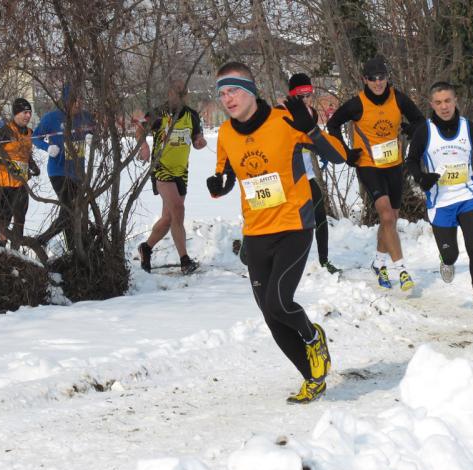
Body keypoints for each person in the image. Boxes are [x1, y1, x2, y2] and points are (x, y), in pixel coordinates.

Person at [207, 61, 347, 403]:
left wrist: (312, 130)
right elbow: (224, 179)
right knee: (271, 315)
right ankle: (313, 376)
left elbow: (339, 157)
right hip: (256, 232)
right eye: (222, 93)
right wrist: (218, 184)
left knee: (279, 302)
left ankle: (314, 338)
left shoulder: (285, 120)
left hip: (294, 225)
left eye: (234, 90)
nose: (227, 99)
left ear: (252, 91)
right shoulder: (225, 134)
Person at [327, 55, 425, 290]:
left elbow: (420, 120)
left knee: (390, 219)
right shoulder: (357, 104)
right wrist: (346, 152)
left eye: (382, 77)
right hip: (369, 166)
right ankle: (401, 270)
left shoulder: (398, 98)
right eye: (373, 79)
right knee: (388, 216)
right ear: (365, 80)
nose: (378, 83)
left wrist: (410, 128)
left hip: (393, 165)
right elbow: (333, 124)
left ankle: (379, 263)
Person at [406, 81, 473, 319]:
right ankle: (445, 260)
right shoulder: (425, 131)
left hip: (467, 197)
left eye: (448, 100)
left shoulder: (468, 128)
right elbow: (411, 160)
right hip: (440, 203)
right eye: (438, 102)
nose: (444, 106)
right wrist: (422, 178)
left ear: (455, 101)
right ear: (431, 104)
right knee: (452, 255)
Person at [137, 78, 207, 275]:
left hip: (181, 171)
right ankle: (185, 260)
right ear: (168, 93)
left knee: (169, 218)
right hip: (162, 168)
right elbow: (140, 127)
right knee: (178, 208)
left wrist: (200, 142)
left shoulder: (191, 115)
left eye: (182, 93)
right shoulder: (159, 113)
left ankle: (146, 248)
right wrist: (143, 145)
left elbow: (196, 138)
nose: (179, 96)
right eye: (175, 92)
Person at [287, 73, 340, 274]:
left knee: (319, 214)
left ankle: (324, 261)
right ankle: (251, 246)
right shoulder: (282, 115)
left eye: (309, 95)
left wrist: (322, 150)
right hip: (286, 179)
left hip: (306, 176)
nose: (306, 100)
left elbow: (313, 140)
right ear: (292, 97)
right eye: (301, 96)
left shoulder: (312, 114)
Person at [32, 84, 94, 248]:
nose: (78, 105)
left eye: (81, 101)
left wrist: (92, 138)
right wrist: (47, 148)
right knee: (69, 210)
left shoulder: (86, 117)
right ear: (66, 101)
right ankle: (42, 240)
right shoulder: (51, 118)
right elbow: (35, 137)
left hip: (78, 172)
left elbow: (97, 131)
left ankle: (73, 248)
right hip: (58, 171)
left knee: (72, 211)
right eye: (74, 101)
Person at [0, 98, 40, 248]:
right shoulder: (5, 131)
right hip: (1, 183)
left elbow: (24, 153)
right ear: (16, 114)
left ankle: (13, 252)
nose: (27, 116)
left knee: (18, 219)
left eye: (29, 113)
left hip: (20, 184)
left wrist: (33, 165)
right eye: (24, 112)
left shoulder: (29, 133)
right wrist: (8, 164)